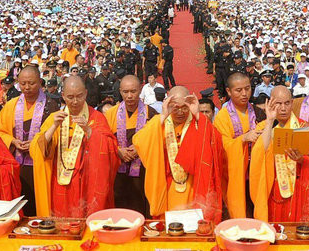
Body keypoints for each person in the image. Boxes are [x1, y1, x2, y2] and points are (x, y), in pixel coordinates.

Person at [30, 75, 119, 217]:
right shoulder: (55, 117)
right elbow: (36, 150)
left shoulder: (96, 117)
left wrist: (90, 132)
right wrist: (53, 126)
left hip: (86, 184)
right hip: (60, 183)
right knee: (61, 223)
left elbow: (111, 149)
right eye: (70, 97)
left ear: (86, 94)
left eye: (79, 96)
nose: (75, 101)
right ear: (63, 96)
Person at [133, 86, 223, 221]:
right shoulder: (160, 122)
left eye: (185, 107)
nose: (180, 112)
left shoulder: (197, 123)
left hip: (193, 187)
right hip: (168, 186)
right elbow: (140, 141)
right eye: (176, 107)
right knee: (168, 226)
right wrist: (163, 115)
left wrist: (197, 114)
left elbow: (215, 141)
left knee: (194, 225)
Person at [250, 86, 309, 222]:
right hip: (273, 191)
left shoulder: (305, 128)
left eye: (287, 103)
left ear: (292, 103)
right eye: (278, 104)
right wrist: (269, 120)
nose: (283, 108)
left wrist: (303, 160)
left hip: (299, 191)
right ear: (270, 104)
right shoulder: (264, 127)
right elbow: (260, 154)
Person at [0, 66, 59, 215]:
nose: (27, 87)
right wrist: (12, 141)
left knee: (39, 206)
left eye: (31, 83)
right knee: (18, 207)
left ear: (40, 82)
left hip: (41, 165)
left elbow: (55, 136)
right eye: (23, 84)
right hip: (16, 166)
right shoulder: (11, 105)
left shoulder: (51, 106)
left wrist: (35, 144)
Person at [104, 75, 157, 216]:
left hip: (143, 175)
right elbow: (104, 139)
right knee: (119, 213)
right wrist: (117, 150)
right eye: (125, 92)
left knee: (142, 211)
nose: (129, 96)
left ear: (140, 90)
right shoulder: (111, 114)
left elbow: (157, 139)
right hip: (118, 175)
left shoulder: (151, 114)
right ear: (120, 91)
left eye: (133, 91)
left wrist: (140, 148)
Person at [214, 72, 259, 218]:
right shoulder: (222, 116)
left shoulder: (258, 112)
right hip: (235, 176)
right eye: (239, 90)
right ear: (229, 91)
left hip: (256, 174)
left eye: (248, 88)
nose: (244, 94)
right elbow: (222, 146)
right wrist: (243, 139)